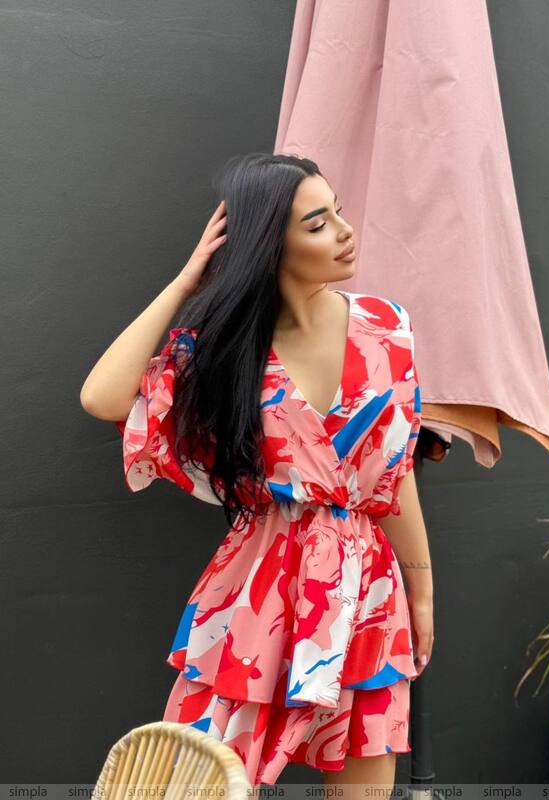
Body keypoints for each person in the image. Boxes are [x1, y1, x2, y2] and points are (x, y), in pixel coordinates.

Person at [80, 152, 434, 791]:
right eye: (318, 223)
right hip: (261, 584)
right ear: (272, 244)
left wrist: (422, 584)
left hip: (368, 584)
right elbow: (103, 398)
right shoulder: (223, 353)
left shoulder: (388, 328)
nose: (345, 232)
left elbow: (395, 471)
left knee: (366, 779)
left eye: (339, 213)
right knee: (204, 780)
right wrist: (188, 281)